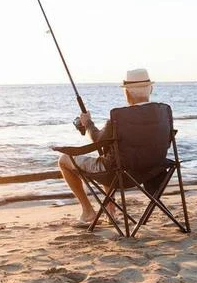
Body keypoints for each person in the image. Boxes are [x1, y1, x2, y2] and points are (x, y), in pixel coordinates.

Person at [57, 68, 154, 225]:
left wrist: (87, 123)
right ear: (151, 89)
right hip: (151, 172)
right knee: (111, 156)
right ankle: (110, 212)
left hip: (120, 174)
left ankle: (88, 212)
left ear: (127, 93)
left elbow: (97, 140)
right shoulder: (163, 114)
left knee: (64, 159)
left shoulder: (119, 118)